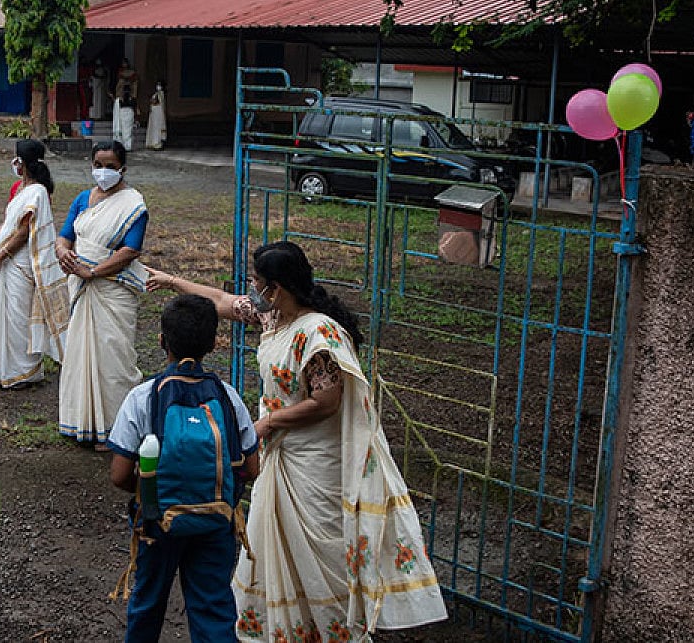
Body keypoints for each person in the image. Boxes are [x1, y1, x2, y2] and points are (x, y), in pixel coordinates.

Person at [146, 241, 447, 641]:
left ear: (277, 288)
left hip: (314, 461)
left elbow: (327, 401)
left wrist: (269, 423)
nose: (251, 290)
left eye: (257, 283)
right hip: (283, 455)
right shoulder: (272, 318)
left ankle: (335, 630)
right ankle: (289, 629)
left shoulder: (318, 333)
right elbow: (219, 300)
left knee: (322, 548)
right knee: (278, 547)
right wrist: (170, 281)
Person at [106, 294, 260, 643]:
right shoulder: (229, 397)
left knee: (146, 604)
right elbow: (251, 467)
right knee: (213, 606)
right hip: (216, 521)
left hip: (157, 522)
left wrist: (155, 490)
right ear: (213, 344)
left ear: (162, 341)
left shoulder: (143, 397)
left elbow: (118, 475)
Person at [55, 140, 149, 449]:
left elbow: (130, 250)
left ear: (122, 168)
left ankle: (115, 429)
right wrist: (63, 253)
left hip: (112, 290)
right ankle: (82, 422)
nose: (103, 171)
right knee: (81, 354)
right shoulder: (83, 199)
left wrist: (93, 272)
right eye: (99, 165)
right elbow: (65, 236)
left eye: (110, 166)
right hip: (81, 287)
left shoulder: (133, 205)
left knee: (114, 358)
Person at [0, 140, 69, 388]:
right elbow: (7, 223)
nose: (13, 163)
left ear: (22, 163)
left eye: (16, 158)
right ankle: (1, 369)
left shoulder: (37, 191)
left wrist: (0, 257)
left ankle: (23, 371)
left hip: (22, 263)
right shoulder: (19, 188)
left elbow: (24, 231)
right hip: (6, 259)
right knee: (4, 315)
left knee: (18, 316)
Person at [112, 58, 138, 151]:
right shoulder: (119, 100)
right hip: (123, 112)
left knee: (127, 131)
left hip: (128, 113)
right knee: (124, 130)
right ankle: (123, 145)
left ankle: (127, 146)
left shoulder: (131, 99)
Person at [145, 81, 167, 150]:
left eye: (159, 85)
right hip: (154, 114)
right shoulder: (156, 94)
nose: (158, 86)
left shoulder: (161, 94)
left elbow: (156, 101)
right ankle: (152, 143)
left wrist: (152, 101)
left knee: (157, 129)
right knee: (153, 128)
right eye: (157, 85)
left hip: (158, 114)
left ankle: (157, 144)